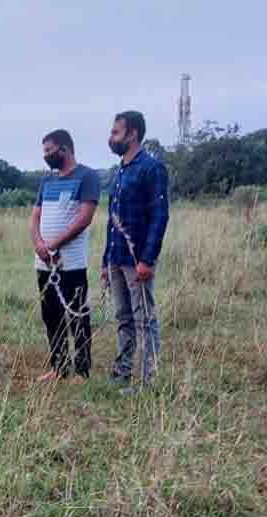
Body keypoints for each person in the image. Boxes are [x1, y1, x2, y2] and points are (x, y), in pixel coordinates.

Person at [104, 111, 170, 394]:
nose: (111, 137)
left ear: (132, 134)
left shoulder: (151, 168)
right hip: (116, 258)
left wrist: (147, 258)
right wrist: (106, 261)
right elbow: (112, 219)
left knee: (144, 319)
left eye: (116, 132)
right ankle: (123, 371)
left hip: (136, 260)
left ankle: (147, 380)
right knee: (124, 317)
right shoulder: (120, 170)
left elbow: (159, 216)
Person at [30, 129, 100, 384]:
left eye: (49, 151)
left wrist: (55, 245)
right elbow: (35, 216)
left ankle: (81, 371)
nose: (46, 156)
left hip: (71, 263)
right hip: (44, 263)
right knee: (51, 316)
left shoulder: (87, 177)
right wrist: (39, 244)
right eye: (44, 152)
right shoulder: (46, 181)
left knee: (77, 316)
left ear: (65, 149)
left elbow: (84, 218)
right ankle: (58, 367)